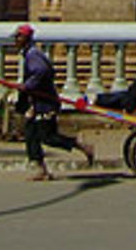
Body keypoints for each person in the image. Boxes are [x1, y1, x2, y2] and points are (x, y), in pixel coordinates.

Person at [13, 24, 94, 180]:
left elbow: (43, 71)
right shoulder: (29, 54)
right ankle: (41, 169)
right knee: (31, 134)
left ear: (26, 39)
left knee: (47, 137)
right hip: (38, 102)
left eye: (19, 37)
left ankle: (80, 144)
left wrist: (28, 85)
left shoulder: (33, 55)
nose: (16, 40)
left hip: (46, 103)